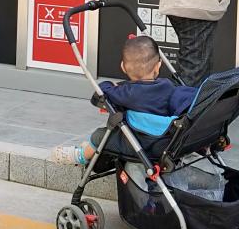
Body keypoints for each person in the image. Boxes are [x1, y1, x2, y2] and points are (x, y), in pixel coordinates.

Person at [52, 35, 196, 165]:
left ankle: (81, 156)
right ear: (158, 66)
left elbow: (101, 92)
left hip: (141, 144)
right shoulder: (167, 85)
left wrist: (111, 85)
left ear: (123, 67)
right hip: (168, 142)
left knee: (100, 135)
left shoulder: (126, 93)